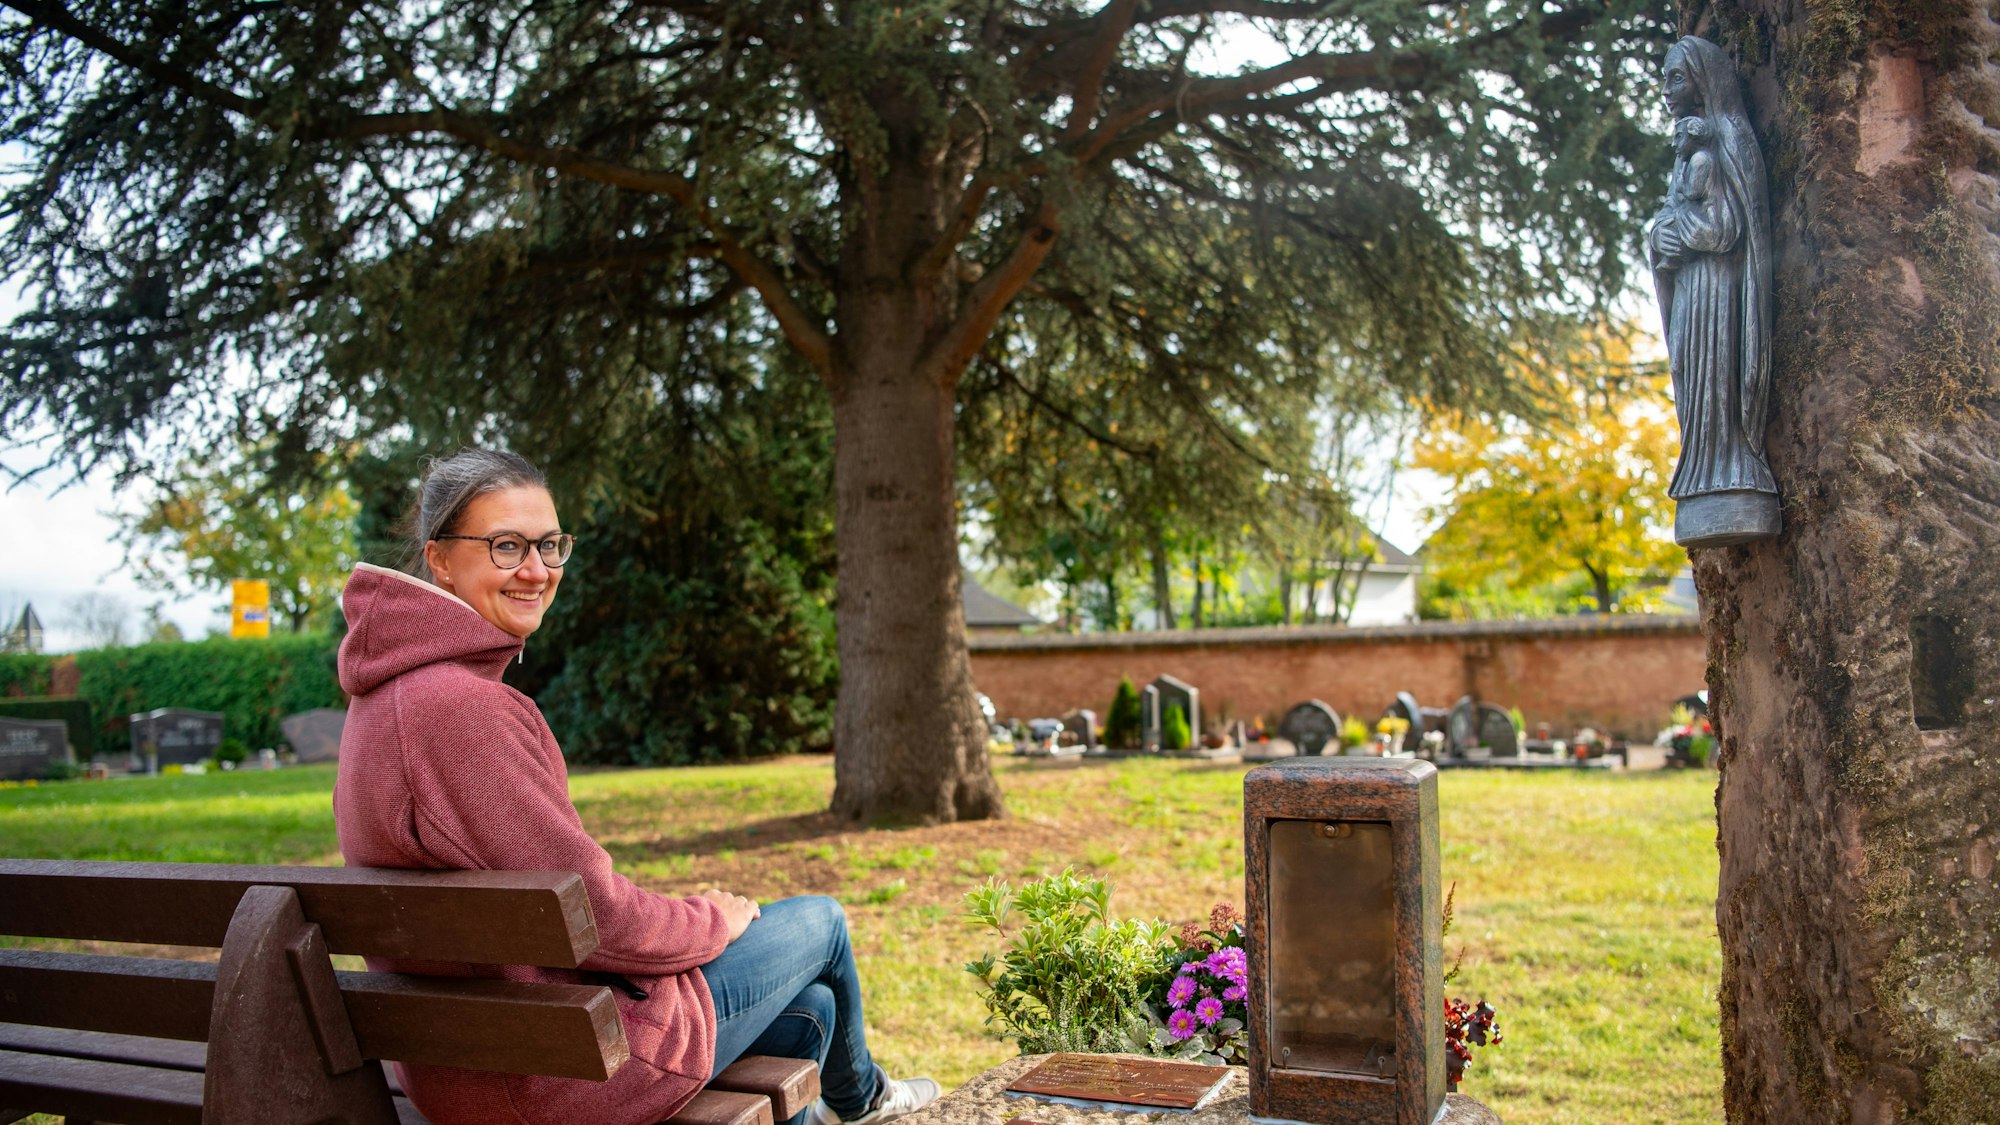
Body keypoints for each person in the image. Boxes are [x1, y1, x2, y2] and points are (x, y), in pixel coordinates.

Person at [334, 448, 940, 1125]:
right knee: (821, 924)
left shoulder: (383, 699)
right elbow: (597, 916)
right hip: (553, 1074)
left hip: (467, 1059)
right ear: (440, 558)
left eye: (549, 544)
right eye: (506, 546)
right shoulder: (463, 711)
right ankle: (865, 1101)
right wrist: (716, 918)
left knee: (810, 1012)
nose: (536, 569)